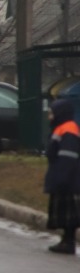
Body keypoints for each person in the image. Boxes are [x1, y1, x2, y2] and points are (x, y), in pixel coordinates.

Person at [44, 99, 80, 254]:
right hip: (63, 174)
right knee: (64, 210)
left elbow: (68, 155)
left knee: (68, 211)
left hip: (68, 177)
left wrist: (62, 176)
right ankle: (65, 240)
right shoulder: (61, 128)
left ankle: (69, 241)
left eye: (51, 113)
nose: (49, 117)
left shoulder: (68, 129)